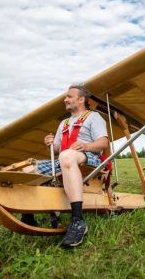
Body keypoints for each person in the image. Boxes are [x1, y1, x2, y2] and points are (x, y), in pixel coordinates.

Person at [42, 84, 108, 247]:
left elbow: (104, 142)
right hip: (65, 159)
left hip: (90, 158)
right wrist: (50, 143)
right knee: (27, 167)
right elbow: (58, 149)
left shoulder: (94, 117)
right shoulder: (63, 123)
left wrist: (86, 146)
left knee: (67, 155)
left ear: (81, 99)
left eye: (69, 97)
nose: (65, 99)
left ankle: (78, 220)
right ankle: (27, 216)